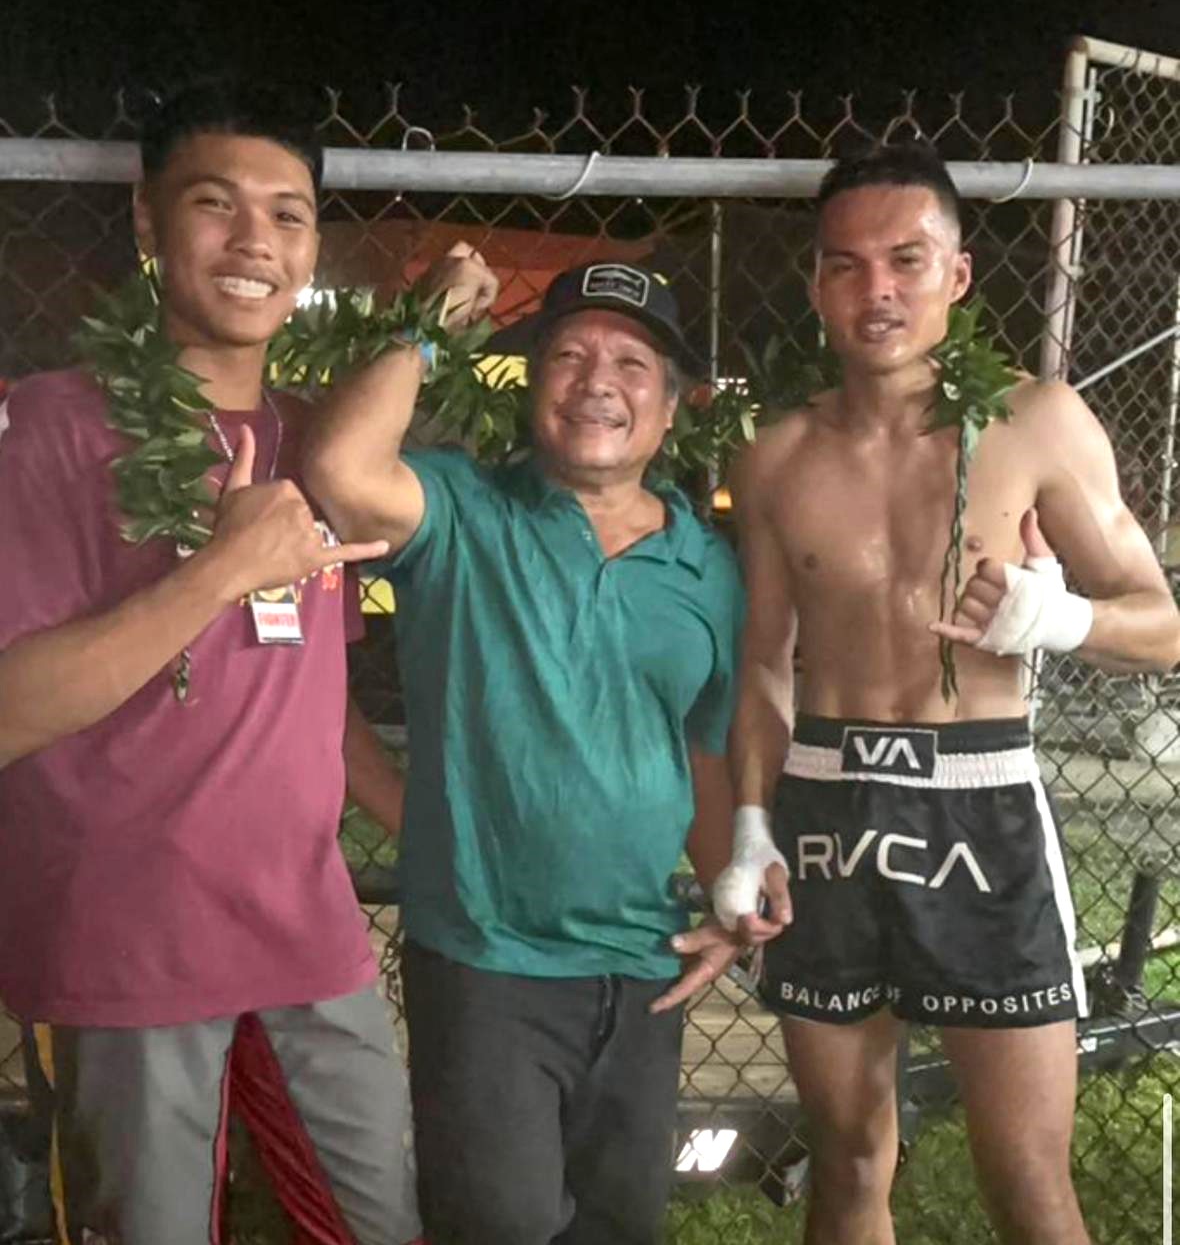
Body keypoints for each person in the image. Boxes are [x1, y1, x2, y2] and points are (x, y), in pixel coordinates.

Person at [711, 142, 1180, 1245]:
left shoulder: (1036, 421)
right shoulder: (775, 452)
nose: (878, 291)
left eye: (906, 260)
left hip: (979, 809)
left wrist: (1057, 621)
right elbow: (764, 663)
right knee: (847, 1158)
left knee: (1025, 1177)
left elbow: (1163, 624)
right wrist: (745, 824)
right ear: (817, 283)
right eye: (846, 265)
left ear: (957, 276)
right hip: (826, 811)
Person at [0, 79, 421, 1245]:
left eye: (288, 215)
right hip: (123, 948)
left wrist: (427, 828)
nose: (255, 242)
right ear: (147, 222)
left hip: (309, 937)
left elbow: (316, 705)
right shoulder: (52, 426)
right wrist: (211, 573)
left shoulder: (310, 436)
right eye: (216, 204)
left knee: (375, 1223)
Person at [304, 255, 746, 1245]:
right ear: (530, 382)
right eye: (570, 356)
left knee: (619, 1223)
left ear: (670, 410)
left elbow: (707, 750)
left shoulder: (706, 567)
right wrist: (426, 328)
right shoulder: (461, 509)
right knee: (496, 1223)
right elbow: (337, 469)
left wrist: (726, 895)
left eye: (633, 365)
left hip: (647, 962)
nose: (598, 382)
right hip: (487, 958)